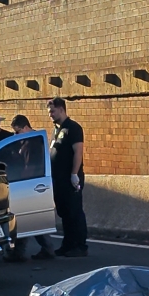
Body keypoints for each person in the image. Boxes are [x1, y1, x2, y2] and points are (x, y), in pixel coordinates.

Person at [8, 114, 56, 261]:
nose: (15, 135)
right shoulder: (31, 141)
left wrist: (18, 180)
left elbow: (29, 167)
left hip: (30, 184)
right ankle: (45, 249)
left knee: (26, 220)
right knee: (32, 220)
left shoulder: (31, 143)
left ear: (26, 127)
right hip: (34, 184)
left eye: (17, 131)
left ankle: (18, 253)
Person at [47, 97, 87, 257]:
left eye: (52, 111)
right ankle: (68, 243)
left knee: (74, 211)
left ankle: (80, 245)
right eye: (49, 112)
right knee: (64, 212)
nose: (50, 114)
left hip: (70, 178)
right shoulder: (57, 129)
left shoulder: (73, 128)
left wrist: (74, 174)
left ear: (62, 109)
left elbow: (78, 152)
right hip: (58, 179)